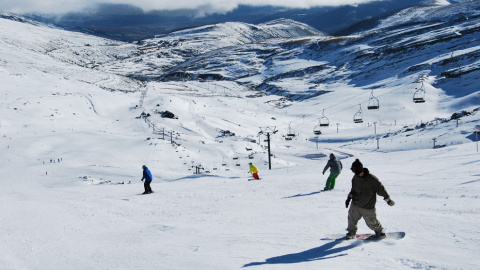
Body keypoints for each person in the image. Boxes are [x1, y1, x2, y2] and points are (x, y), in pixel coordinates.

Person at [345, 159, 395, 239]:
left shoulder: (372, 179)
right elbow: (353, 189)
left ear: (360, 169)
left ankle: (379, 232)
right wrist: (348, 198)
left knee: (371, 222)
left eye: (356, 171)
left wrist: (388, 200)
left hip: (367, 206)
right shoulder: (355, 177)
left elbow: (381, 189)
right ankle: (351, 232)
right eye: (354, 172)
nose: (355, 174)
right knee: (351, 219)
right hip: (355, 204)